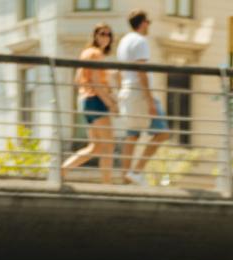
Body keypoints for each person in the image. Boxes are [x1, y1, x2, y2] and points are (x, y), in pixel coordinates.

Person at [114, 10, 171, 183]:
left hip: (127, 91)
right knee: (162, 132)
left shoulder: (123, 41)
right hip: (139, 93)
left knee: (132, 134)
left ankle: (126, 177)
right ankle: (136, 171)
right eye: (148, 22)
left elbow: (118, 72)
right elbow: (142, 71)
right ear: (143, 23)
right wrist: (149, 100)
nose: (149, 26)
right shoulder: (140, 41)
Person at [63, 24, 117, 181]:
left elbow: (78, 80)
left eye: (109, 34)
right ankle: (107, 186)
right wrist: (110, 103)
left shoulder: (85, 53)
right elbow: (95, 82)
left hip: (86, 101)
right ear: (95, 35)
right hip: (95, 101)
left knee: (96, 147)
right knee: (108, 145)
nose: (105, 37)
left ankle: (61, 171)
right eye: (102, 33)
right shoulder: (95, 53)